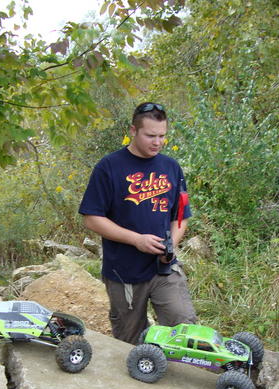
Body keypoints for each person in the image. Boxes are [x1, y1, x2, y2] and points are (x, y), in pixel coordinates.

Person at [79, 102, 197, 344]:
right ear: (133, 131)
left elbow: (181, 216)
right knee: (128, 342)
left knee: (184, 328)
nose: (157, 142)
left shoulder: (171, 167)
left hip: (163, 269)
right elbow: (92, 218)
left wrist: (170, 246)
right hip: (124, 272)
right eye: (150, 135)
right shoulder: (109, 167)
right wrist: (136, 240)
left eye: (162, 136)